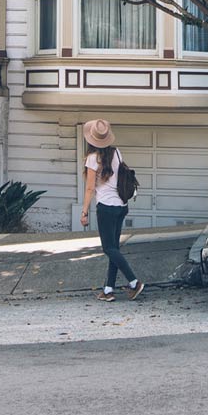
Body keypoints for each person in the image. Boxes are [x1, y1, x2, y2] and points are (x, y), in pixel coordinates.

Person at [81, 119, 143, 302]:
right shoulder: (116, 152)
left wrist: (84, 211)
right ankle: (108, 289)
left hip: (106, 209)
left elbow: (90, 189)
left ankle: (134, 282)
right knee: (113, 248)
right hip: (121, 207)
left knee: (109, 248)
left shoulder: (93, 159)